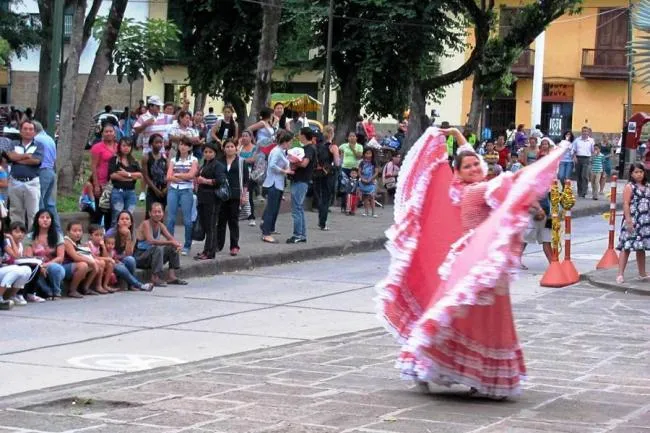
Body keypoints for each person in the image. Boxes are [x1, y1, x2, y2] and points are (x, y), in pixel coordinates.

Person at [376, 126, 566, 399]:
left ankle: (457, 371)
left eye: (477, 164)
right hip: (476, 263)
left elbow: (477, 166)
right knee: (478, 319)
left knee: (474, 319)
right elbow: (508, 186)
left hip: (481, 262)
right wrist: (540, 170)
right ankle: (458, 371)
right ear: (459, 173)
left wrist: (455, 135)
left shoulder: (462, 188)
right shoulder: (477, 191)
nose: (475, 167)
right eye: (468, 166)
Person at [135, 202, 187, 286]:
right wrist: (171, 242)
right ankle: (154, 278)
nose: (157, 214)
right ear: (150, 213)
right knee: (158, 248)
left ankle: (172, 276)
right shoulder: (146, 223)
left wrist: (177, 244)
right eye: (154, 212)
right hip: (141, 257)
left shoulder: (160, 225)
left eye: (159, 212)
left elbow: (171, 238)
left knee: (171, 247)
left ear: (163, 213)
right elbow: (151, 241)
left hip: (153, 257)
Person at [616, 163, 650, 284]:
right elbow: (625, 203)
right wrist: (628, 220)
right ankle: (620, 274)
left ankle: (642, 273)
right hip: (633, 220)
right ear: (631, 174)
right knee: (626, 247)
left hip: (645, 221)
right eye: (636, 172)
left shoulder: (647, 186)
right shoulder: (629, 187)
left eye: (641, 172)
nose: (639, 174)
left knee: (641, 248)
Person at [7, 120, 43, 231]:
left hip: (31, 182)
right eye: (25, 129)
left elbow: (36, 161)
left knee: (33, 212)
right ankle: (17, 236)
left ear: (35, 132)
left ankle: (33, 237)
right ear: (20, 131)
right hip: (15, 182)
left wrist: (17, 159)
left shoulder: (39, 145)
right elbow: (10, 156)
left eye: (31, 129)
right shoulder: (13, 143)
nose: (28, 131)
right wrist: (26, 156)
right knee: (15, 211)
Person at [166, 137, 199, 256]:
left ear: (190, 147)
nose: (183, 146)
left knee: (187, 220)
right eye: (181, 144)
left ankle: (187, 245)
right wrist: (182, 176)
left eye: (186, 145)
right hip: (173, 190)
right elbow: (168, 177)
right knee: (170, 219)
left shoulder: (194, 159)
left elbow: (191, 175)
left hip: (187, 190)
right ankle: (171, 244)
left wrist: (178, 174)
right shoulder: (174, 160)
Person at [105, 211, 153, 291]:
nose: (124, 221)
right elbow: (105, 252)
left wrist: (128, 237)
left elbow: (129, 254)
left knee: (131, 260)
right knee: (120, 267)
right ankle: (140, 285)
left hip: (121, 259)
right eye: (122, 219)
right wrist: (115, 260)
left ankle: (131, 286)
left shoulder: (132, 234)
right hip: (110, 260)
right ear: (118, 222)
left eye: (127, 219)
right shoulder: (111, 233)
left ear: (130, 223)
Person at [195, 142, 227, 260]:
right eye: (206, 152)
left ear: (215, 153)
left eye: (210, 152)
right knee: (205, 224)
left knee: (211, 226)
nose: (207, 154)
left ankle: (210, 251)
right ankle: (206, 249)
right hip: (202, 197)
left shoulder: (218, 166)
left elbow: (220, 181)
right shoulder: (204, 164)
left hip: (212, 198)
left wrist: (205, 181)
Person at [261, 132, 294, 244]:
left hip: (277, 183)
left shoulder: (281, 151)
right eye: (290, 141)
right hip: (273, 183)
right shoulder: (277, 151)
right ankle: (266, 233)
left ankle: (268, 227)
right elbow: (272, 165)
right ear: (285, 141)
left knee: (274, 208)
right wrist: (285, 171)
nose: (291, 143)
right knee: (271, 208)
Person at [24, 210, 65, 300]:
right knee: (34, 270)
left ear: (51, 220)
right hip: (36, 265)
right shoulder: (29, 237)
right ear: (37, 220)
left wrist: (45, 265)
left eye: (48, 218)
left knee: (55, 268)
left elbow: (60, 257)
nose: (45, 220)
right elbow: (29, 257)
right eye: (42, 217)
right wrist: (39, 267)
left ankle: (57, 292)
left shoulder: (58, 236)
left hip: (53, 266)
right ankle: (48, 292)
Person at [218, 140, 248, 256]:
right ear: (224, 148)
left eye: (231, 146)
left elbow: (246, 181)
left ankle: (234, 246)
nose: (229, 148)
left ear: (236, 148)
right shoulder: (219, 162)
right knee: (221, 221)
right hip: (221, 194)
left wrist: (244, 195)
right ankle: (218, 244)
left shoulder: (241, 162)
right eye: (227, 146)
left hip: (235, 194)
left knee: (233, 221)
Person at [287, 128, 316, 244]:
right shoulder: (306, 148)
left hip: (301, 180)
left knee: (296, 208)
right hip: (300, 180)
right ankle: (302, 234)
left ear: (304, 136)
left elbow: (304, 163)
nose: (298, 136)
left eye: (299, 134)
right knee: (299, 208)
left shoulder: (309, 149)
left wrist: (294, 162)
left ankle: (297, 234)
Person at [5, 221, 43, 303]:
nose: (20, 234)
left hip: (14, 265)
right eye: (16, 232)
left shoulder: (20, 245)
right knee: (28, 267)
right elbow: (16, 256)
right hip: (7, 265)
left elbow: (19, 257)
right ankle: (19, 294)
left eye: (22, 232)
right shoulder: (7, 242)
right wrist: (11, 239)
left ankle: (30, 293)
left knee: (37, 266)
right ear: (10, 233)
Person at [0, 218, 34, 310]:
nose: (20, 234)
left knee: (27, 269)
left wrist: (10, 238)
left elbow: (16, 255)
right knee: (16, 269)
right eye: (17, 231)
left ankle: (12, 296)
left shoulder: (3, 240)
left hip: (3, 269)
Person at [63, 221, 104, 297]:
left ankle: (85, 287)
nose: (78, 233)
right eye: (74, 231)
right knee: (83, 265)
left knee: (99, 263)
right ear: (68, 232)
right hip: (65, 266)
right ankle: (72, 290)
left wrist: (94, 261)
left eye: (80, 231)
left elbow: (87, 255)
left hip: (74, 265)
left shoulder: (77, 242)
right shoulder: (67, 241)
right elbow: (75, 257)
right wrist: (91, 262)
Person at [33, 120, 61, 232]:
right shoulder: (50, 139)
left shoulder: (37, 139)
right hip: (50, 171)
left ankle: (43, 230)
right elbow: (54, 159)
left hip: (42, 171)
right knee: (50, 204)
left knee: (40, 203)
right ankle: (58, 231)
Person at [108, 138, 142, 227]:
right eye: (124, 145)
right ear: (120, 146)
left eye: (129, 146)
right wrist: (130, 178)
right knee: (117, 216)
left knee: (128, 217)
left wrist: (127, 174)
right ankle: (113, 239)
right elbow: (113, 175)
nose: (126, 148)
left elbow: (140, 175)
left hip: (131, 192)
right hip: (118, 191)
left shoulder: (133, 161)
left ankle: (127, 238)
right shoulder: (114, 159)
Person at [90, 123, 118, 229]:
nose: (109, 133)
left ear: (115, 133)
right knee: (100, 209)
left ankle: (108, 238)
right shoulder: (97, 147)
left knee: (110, 213)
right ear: (102, 133)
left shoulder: (118, 146)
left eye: (111, 131)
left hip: (115, 183)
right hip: (101, 182)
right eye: (106, 131)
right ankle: (94, 236)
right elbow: (93, 166)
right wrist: (96, 185)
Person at [312, 128, 335, 230]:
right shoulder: (331, 147)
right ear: (331, 134)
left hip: (317, 173)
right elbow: (337, 162)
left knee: (319, 197)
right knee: (326, 198)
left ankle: (321, 219)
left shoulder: (317, 146)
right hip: (328, 173)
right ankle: (322, 222)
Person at [141, 134, 168, 217]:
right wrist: (155, 190)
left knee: (160, 215)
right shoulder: (146, 157)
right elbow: (146, 176)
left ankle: (159, 230)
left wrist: (166, 188)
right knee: (150, 214)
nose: (159, 144)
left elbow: (168, 173)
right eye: (156, 142)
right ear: (151, 144)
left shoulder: (164, 157)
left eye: (161, 142)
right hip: (152, 189)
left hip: (163, 190)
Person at [86, 224, 117, 293]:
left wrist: (103, 246)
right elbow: (93, 257)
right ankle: (98, 286)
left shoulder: (100, 245)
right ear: (90, 236)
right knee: (103, 262)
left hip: (99, 263)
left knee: (110, 264)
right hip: (91, 263)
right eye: (96, 235)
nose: (99, 237)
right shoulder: (89, 244)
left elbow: (106, 256)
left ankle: (105, 285)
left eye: (101, 235)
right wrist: (107, 259)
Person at [238, 131, 258, 227]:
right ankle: (241, 214)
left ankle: (252, 216)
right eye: (243, 136)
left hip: (250, 174)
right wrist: (238, 145)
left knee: (248, 195)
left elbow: (253, 159)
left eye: (246, 136)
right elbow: (234, 156)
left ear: (251, 137)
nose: (244, 138)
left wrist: (241, 160)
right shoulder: (240, 147)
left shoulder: (255, 148)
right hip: (240, 173)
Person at [573, 126, 595, 198]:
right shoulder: (577, 140)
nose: (585, 132)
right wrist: (574, 157)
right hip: (578, 158)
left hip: (587, 158)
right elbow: (573, 150)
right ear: (581, 132)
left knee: (584, 175)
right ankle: (579, 191)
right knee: (579, 176)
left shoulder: (591, 140)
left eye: (586, 131)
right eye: (583, 131)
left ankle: (584, 191)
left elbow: (593, 150)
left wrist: (592, 157)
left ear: (588, 132)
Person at [358, 148, 380, 218]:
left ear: (372, 154)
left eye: (369, 153)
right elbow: (359, 171)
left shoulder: (374, 162)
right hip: (363, 182)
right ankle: (366, 212)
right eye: (366, 153)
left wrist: (371, 178)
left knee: (372, 197)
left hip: (371, 182)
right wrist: (362, 178)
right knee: (365, 198)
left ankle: (373, 213)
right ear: (364, 154)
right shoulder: (362, 162)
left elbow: (376, 172)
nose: (368, 155)